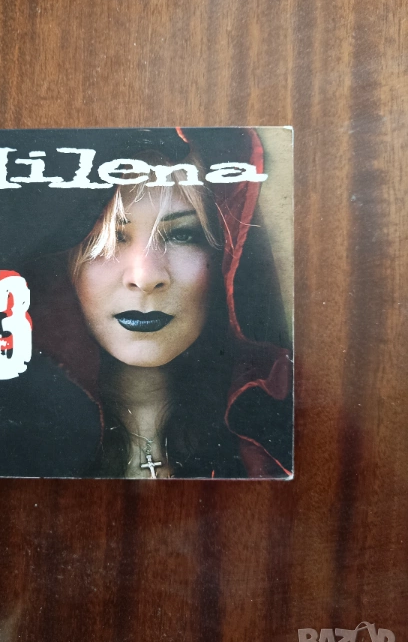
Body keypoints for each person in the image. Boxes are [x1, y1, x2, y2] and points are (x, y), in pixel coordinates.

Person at [26, 128, 293, 479]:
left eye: (182, 234)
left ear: (228, 259)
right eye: (106, 238)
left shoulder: (278, 448)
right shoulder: (9, 447)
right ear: (59, 265)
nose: (145, 277)